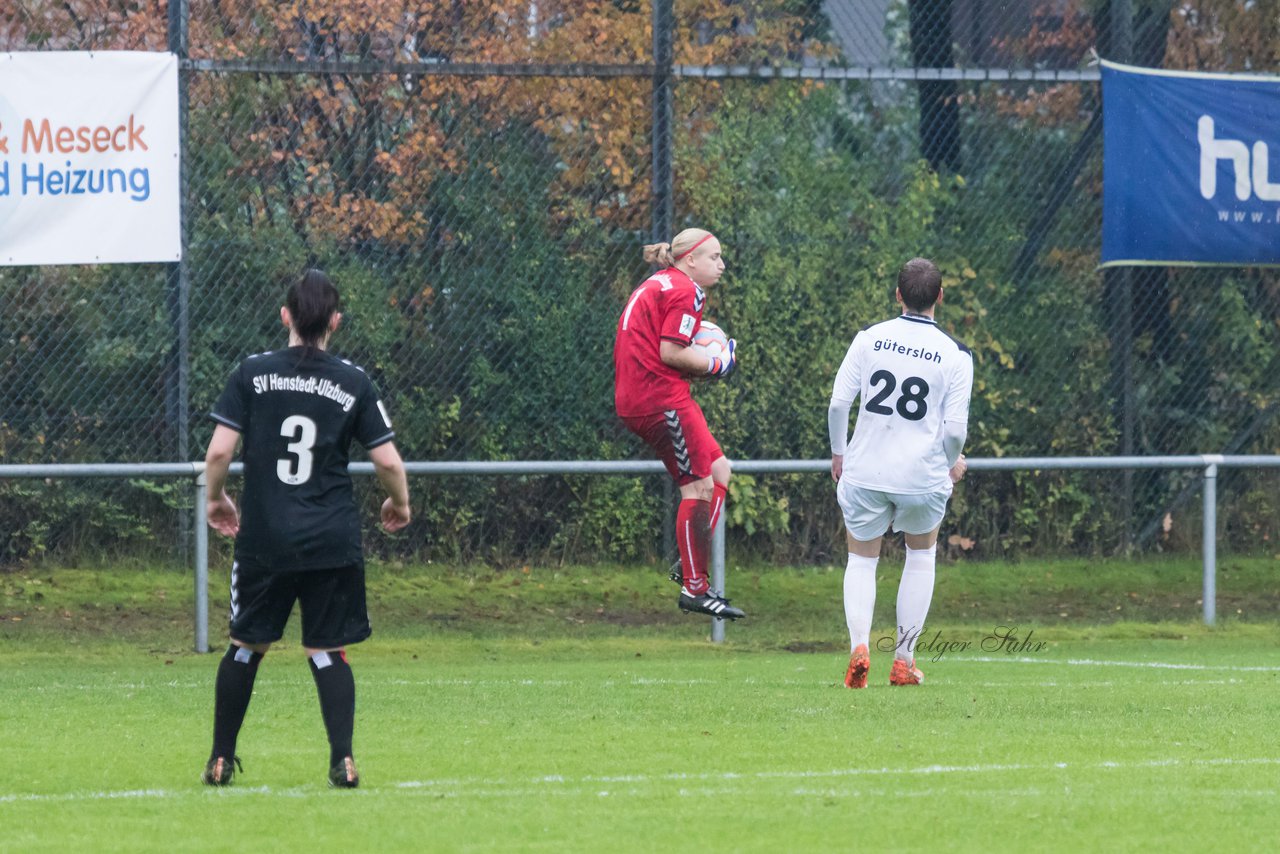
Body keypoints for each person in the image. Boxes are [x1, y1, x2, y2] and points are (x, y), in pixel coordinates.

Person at [201, 269, 411, 788]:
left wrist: (215, 498)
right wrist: (398, 503)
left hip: (265, 538)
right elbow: (387, 461)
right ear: (335, 321)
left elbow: (220, 451)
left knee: (246, 645)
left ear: (286, 316)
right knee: (325, 649)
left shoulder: (251, 373)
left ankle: (221, 759)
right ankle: (343, 760)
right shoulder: (353, 380)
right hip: (330, 539)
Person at [828, 257, 972, 687]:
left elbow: (838, 405)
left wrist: (839, 454)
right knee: (921, 555)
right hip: (921, 479)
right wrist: (949, 466)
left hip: (866, 470)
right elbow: (956, 431)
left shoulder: (869, 339)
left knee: (861, 560)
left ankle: (860, 647)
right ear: (940, 298)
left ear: (898, 295)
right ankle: (904, 660)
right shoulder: (955, 355)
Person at [614, 228, 745, 621]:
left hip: (648, 394)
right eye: (714, 257)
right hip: (659, 398)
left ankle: (689, 563)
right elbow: (671, 352)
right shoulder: (685, 290)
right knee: (699, 486)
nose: (721, 265)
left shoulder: (662, 282)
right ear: (690, 260)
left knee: (720, 470)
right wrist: (715, 363)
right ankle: (695, 588)